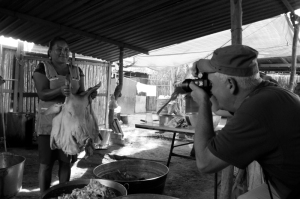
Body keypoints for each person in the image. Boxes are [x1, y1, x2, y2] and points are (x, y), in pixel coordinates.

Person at [189, 44, 300, 199]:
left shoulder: (256, 109)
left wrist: (203, 103)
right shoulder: (269, 92)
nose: (210, 90)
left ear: (230, 84)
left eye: (211, 85)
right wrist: (200, 64)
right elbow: (220, 107)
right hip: (285, 183)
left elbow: (205, 163)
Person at [32, 36, 97, 195]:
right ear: (50, 52)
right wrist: (59, 91)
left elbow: (80, 93)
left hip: (70, 125)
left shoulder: (77, 70)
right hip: (48, 124)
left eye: (66, 49)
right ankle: (44, 195)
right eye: (59, 49)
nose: (63, 52)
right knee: (46, 164)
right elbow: (42, 94)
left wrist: (89, 94)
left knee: (65, 161)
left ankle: (63, 195)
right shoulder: (42, 68)